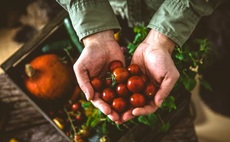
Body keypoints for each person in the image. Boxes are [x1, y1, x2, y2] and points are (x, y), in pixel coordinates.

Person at [55, 0, 224, 124]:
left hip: (205, 11)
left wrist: (165, 35)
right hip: (116, 11)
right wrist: (95, 32)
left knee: (220, 92)